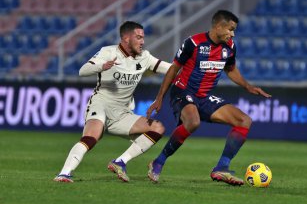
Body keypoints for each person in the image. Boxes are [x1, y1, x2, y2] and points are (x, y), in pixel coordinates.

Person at [146, 10, 271, 186]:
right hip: (182, 91)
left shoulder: (230, 47)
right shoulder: (193, 43)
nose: (232, 34)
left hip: (204, 96)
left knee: (244, 120)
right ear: (218, 26)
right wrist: (159, 98)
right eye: (230, 29)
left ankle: (221, 168)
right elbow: (173, 69)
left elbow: (231, 69)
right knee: (193, 121)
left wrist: (247, 86)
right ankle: (158, 162)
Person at [53, 21, 171, 183]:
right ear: (126, 38)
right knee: (91, 137)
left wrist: (193, 68)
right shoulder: (108, 52)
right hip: (101, 104)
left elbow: (170, 69)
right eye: (138, 37)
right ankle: (64, 174)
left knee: (157, 128)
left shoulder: (145, 57)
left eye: (143, 37)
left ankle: (120, 161)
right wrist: (102, 65)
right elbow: (83, 70)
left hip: (122, 113)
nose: (142, 41)